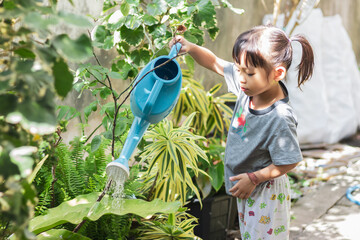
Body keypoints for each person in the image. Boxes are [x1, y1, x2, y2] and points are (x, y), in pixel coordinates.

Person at [170, 25, 314, 239]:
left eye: (249, 72)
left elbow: (289, 161)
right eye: (238, 69)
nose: (241, 78)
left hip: (265, 190)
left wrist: (254, 178)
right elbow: (215, 63)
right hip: (248, 184)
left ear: (278, 73)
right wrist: (190, 48)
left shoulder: (279, 117)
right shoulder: (248, 88)